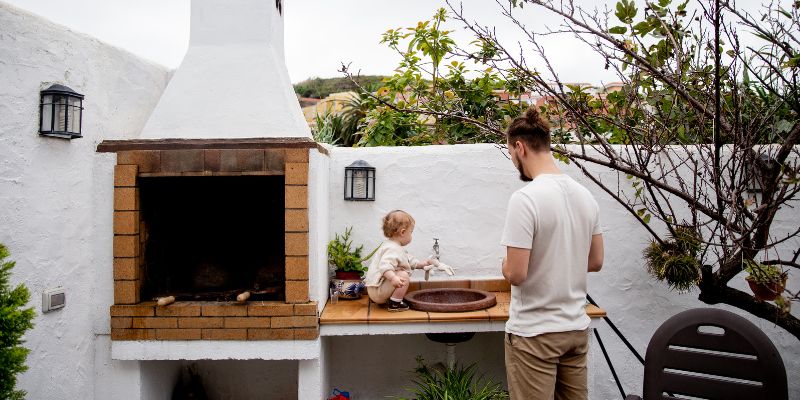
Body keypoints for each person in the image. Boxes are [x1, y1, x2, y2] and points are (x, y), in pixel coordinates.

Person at [500, 107, 604, 399]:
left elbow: (517, 274)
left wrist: (504, 266)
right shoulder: (585, 196)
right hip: (575, 329)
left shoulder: (525, 199)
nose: (514, 162)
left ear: (520, 147)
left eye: (511, 154)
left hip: (535, 334)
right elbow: (595, 261)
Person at [364, 210, 431, 312]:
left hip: (376, 289)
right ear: (403, 232)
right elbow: (385, 266)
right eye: (411, 232)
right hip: (377, 291)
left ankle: (392, 299)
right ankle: (395, 303)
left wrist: (422, 265)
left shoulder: (393, 246)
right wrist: (393, 278)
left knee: (401, 274)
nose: (411, 235)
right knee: (403, 276)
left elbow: (408, 260)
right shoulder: (392, 248)